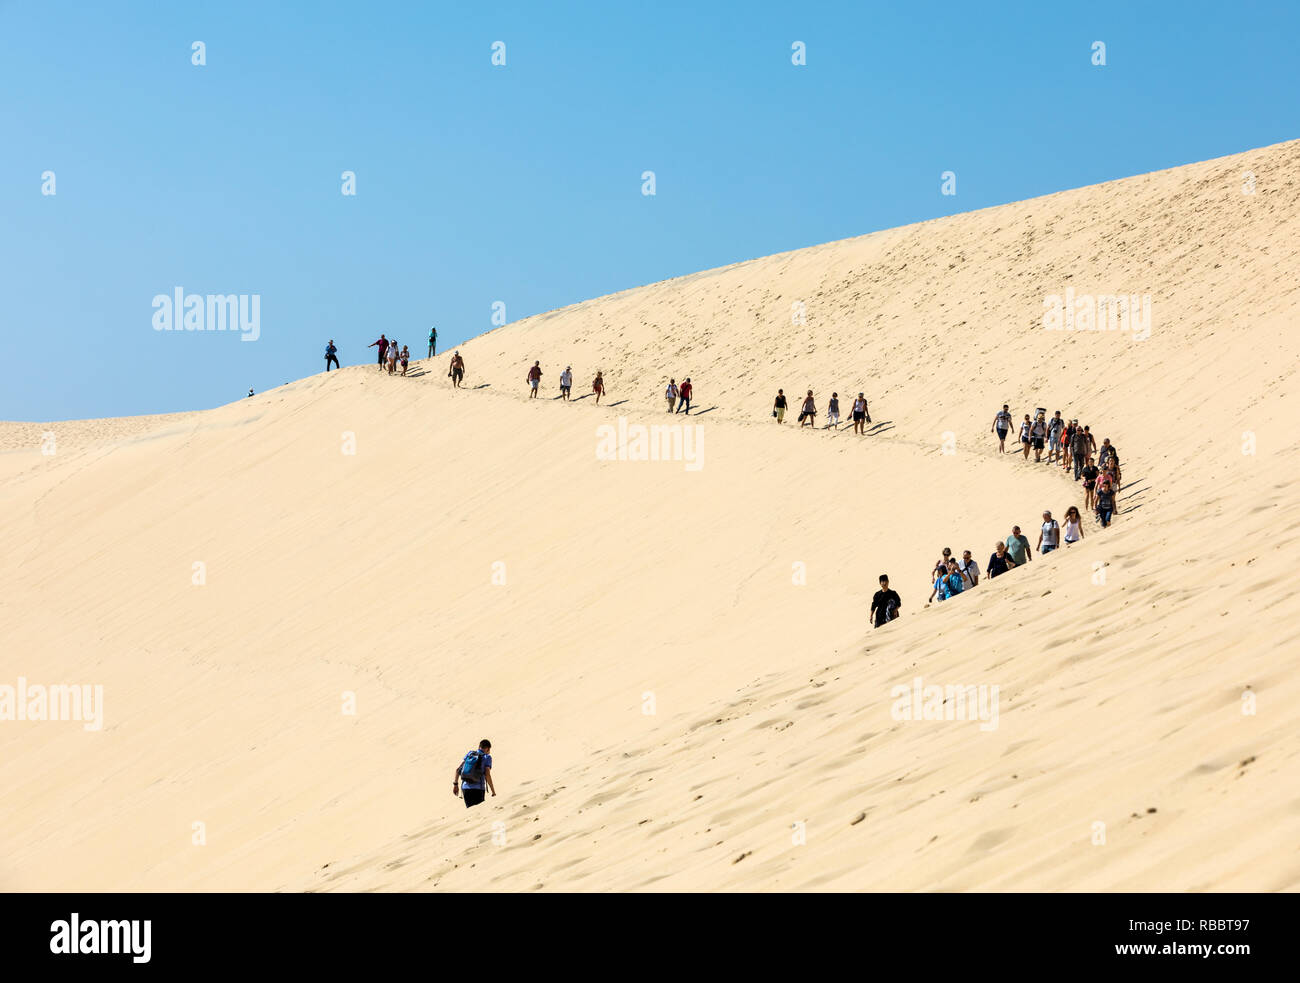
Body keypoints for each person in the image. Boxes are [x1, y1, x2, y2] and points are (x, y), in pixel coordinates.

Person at [452, 739, 495, 808]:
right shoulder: (487, 757)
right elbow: (487, 774)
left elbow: (457, 769)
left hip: (465, 788)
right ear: (487, 748)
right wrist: (493, 791)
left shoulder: (470, 754)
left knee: (470, 811)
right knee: (479, 812)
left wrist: (455, 784)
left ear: (479, 746)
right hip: (478, 789)